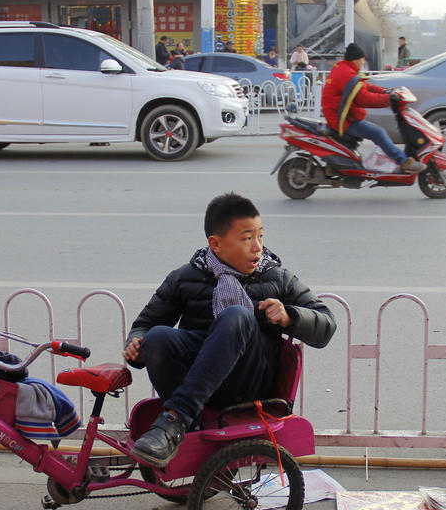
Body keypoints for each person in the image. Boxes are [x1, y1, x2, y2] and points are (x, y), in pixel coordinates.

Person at [124, 192, 337, 467]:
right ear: (216, 244)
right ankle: (189, 421)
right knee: (158, 336)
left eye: (261, 236)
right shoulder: (185, 278)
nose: (257, 247)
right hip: (199, 380)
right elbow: (145, 324)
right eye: (247, 238)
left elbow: (326, 322)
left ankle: (175, 420)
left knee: (237, 315)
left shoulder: (277, 277)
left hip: (247, 382)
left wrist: (289, 316)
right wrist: (137, 342)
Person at [321, 43, 427, 173]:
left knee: (375, 131)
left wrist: (386, 91)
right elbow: (364, 98)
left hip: (343, 114)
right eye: (363, 59)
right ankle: (403, 161)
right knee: (378, 133)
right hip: (341, 119)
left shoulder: (346, 69)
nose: (363, 62)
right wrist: (388, 99)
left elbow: (365, 86)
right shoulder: (347, 74)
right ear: (357, 59)